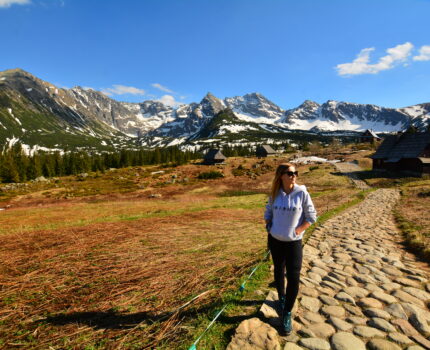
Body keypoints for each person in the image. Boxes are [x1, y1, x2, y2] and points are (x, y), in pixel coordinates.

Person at [264, 163, 317, 335]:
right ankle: (281, 298)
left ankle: (287, 312)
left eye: (295, 172)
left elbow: (311, 216)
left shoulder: (302, 193)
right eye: (289, 173)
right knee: (278, 269)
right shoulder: (274, 193)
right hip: (275, 240)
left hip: (293, 242)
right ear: (281, 176)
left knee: (294, 276)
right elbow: (268, 212)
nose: (293, 175)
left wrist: (298, 230)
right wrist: (270, 227)